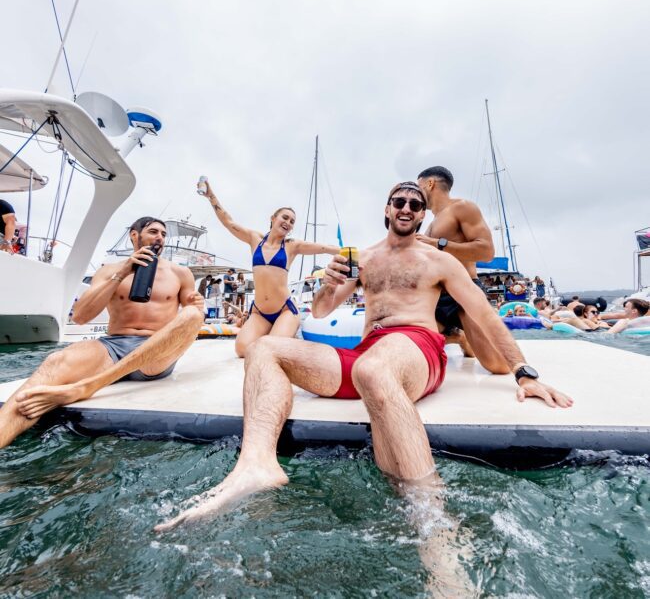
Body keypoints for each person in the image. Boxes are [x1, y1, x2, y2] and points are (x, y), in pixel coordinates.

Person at [156, 181, 572, 532]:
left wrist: (524, 372)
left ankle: (434, 520)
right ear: (387, 209)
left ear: (423, 215)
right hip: (367, 352)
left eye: (416, 204)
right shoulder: (364, 258)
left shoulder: (439, 260)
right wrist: (327, 285)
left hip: (417, 348)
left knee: (374, 369)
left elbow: (483, 314)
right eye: (399, 201)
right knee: (265, 349)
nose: (407, 207)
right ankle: (256, 465)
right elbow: (320, 311)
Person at [0, 217, 205, 449]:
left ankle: (87, 386)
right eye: (153, 232)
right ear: (134, 235)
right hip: (113, 346)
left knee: (192, 316)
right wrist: (123, 272)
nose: (160, 237)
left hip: (155, 353)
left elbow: (193, 317)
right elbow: (80, 317)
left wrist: (196, 303)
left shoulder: (180, 273)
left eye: (163, 234)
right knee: (56, 362)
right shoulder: (110, 270)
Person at [200, 178, 339, 357]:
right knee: (241, 350)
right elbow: (229, 223)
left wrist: (351, 253)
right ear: (273, 219)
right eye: (285, 217)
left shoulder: (291, 246)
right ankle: (276, 334)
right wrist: (211, 196)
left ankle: (285, 331)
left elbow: (324, 248)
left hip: (285, 310)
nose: (288, 222)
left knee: (270, 350)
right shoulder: (254, 239)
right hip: (260, 312)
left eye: (292, 221)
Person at [416, 166, 511, 373]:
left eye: (418, 186)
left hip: (463, 290)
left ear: (429, 184)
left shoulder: (462, 208)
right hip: (435, 296)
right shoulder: (431, 223)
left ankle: (462, 336)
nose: (416, 191)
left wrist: (436, 244)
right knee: (413, 349)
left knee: (498, 365)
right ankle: (456, 336)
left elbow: (486, 252)